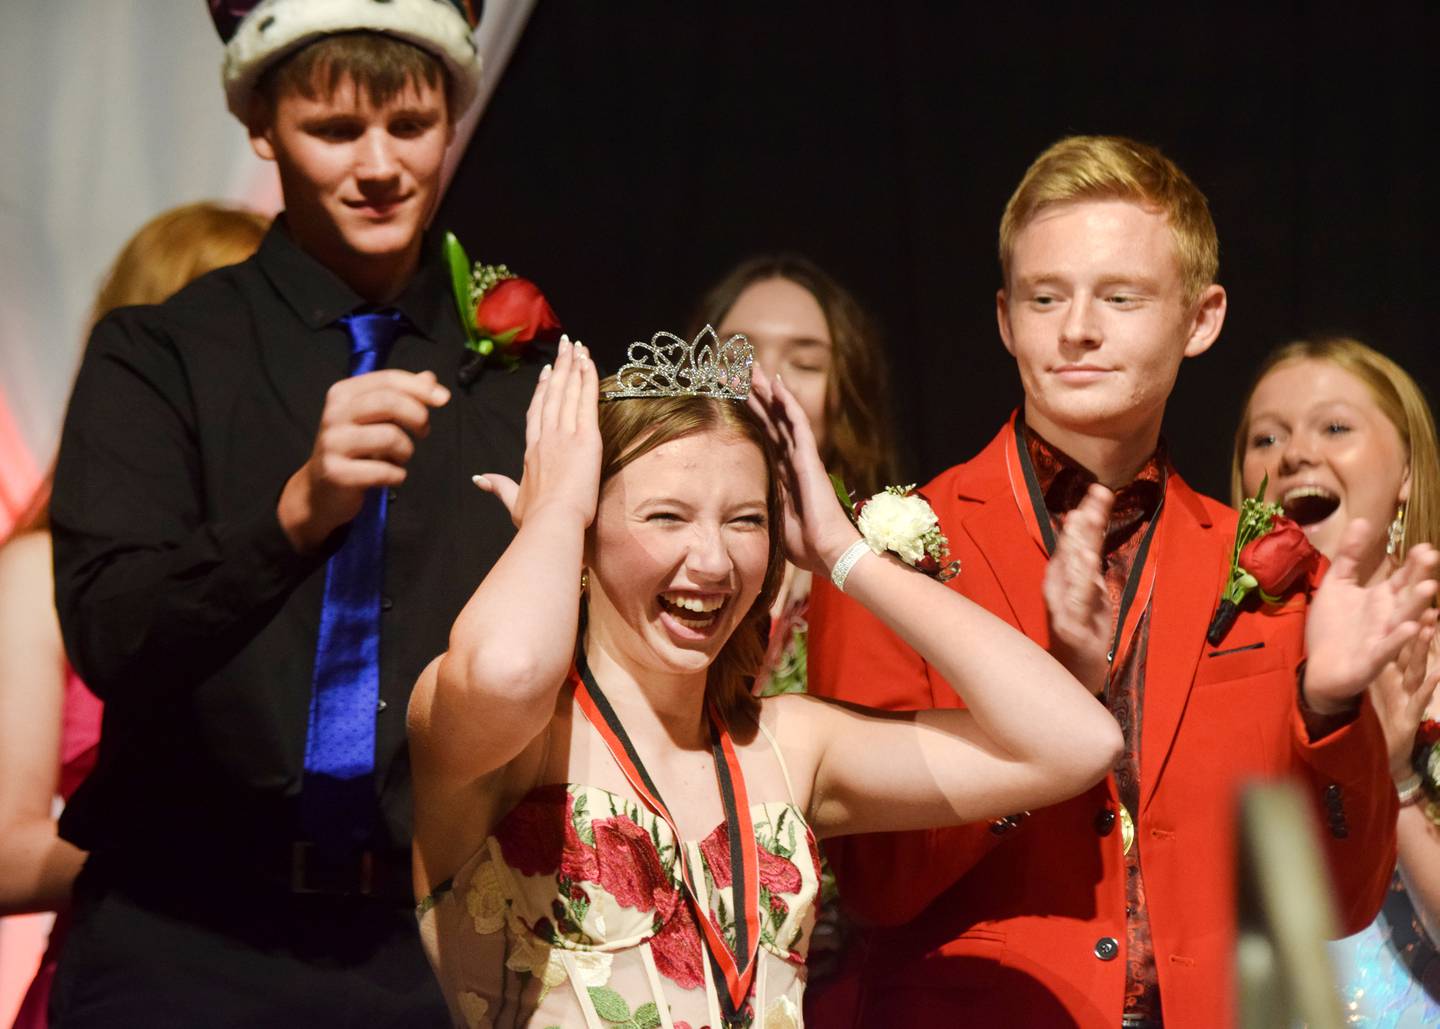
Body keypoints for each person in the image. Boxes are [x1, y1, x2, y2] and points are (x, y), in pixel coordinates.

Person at [805, 135, 1439, 1028]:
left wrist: (1333, 711)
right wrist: (1051, 707)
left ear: (1202, 318)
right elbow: (876, 882)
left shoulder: (1266, 570)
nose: (1076, 329)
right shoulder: (891, 552)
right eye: (1045, 296)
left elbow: (1336, 906)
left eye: (1121, 296)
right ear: (1003, 318)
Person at [46, 2, 537, 1024]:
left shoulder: (518, 380)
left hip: (430, 945)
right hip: (182, 933)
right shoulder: (162, 354)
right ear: (261, 126)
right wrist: (293, 517)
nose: (378, 166)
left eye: (409, 126)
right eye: (333, 130)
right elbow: (110, 635)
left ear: (454, 118)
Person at [408, 335, 1124, 1028]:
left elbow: (1076, 741)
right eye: (667, 515)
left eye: (746, 520)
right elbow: (508, 668)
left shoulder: (787, 745)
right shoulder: (516, 746)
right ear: (587, 534)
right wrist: (556, 510)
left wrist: (843, 552)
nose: (714, 561)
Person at [0, 201, 266, 1029]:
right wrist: (190, 860)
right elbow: (5, 854)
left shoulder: (314, 549)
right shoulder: (41, 571)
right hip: (125, 986)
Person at [1234, 336, 1440, 1023]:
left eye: (1335, 427)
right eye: (1265, 437)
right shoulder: (1218, 665)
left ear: (1407, 470)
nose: (1294, 453)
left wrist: (1397, 775)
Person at [695, 254, 899, 698]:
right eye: (737, 353)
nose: (765, 379)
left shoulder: (882, 562)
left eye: (806, 364)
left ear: (844, 397)